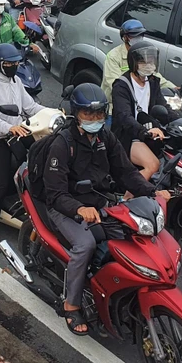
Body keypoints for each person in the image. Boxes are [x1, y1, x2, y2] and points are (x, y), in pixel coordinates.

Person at [43, 83, 171, 334]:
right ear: (76, 114)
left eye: (99, 114)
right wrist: (80, 209)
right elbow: (55, 193)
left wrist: (152, 193)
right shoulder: (62, 143)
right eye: (88, 115)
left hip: (101, 201)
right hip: (66, 206)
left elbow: (125, 172)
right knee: (86, 245)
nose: (94, 120)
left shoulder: (106, 137)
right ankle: (71, 305)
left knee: (130, 235)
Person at [0, 44, 44, 252]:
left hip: (17, 132)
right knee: (2, 182)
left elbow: (30, 107)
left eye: (16, 63)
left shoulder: (16, 81)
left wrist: (53, 113)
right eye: (9, 64)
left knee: (39, 160)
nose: (13, 67)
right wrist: (9, 127)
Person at [111, 43, 172, 181]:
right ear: (134, 63)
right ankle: (126, 199)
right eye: (143, 61)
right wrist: (144, 132)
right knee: (152, 165)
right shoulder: (121, 86)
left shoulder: (153, 82)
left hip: (150, 133)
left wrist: (181, 122)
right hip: (129, 136)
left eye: (151, 61)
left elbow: (164, 107)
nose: (148, 65)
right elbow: (124, 117)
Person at [101, 20, 172, 106]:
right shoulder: (113, 56)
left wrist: (172, 87)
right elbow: (113, 83)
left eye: (140, 35)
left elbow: (153, 74)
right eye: (134, 36)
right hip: (116, 104)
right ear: (125, 37)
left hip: (140, 102)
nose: (137, 38)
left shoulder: (143, 54)